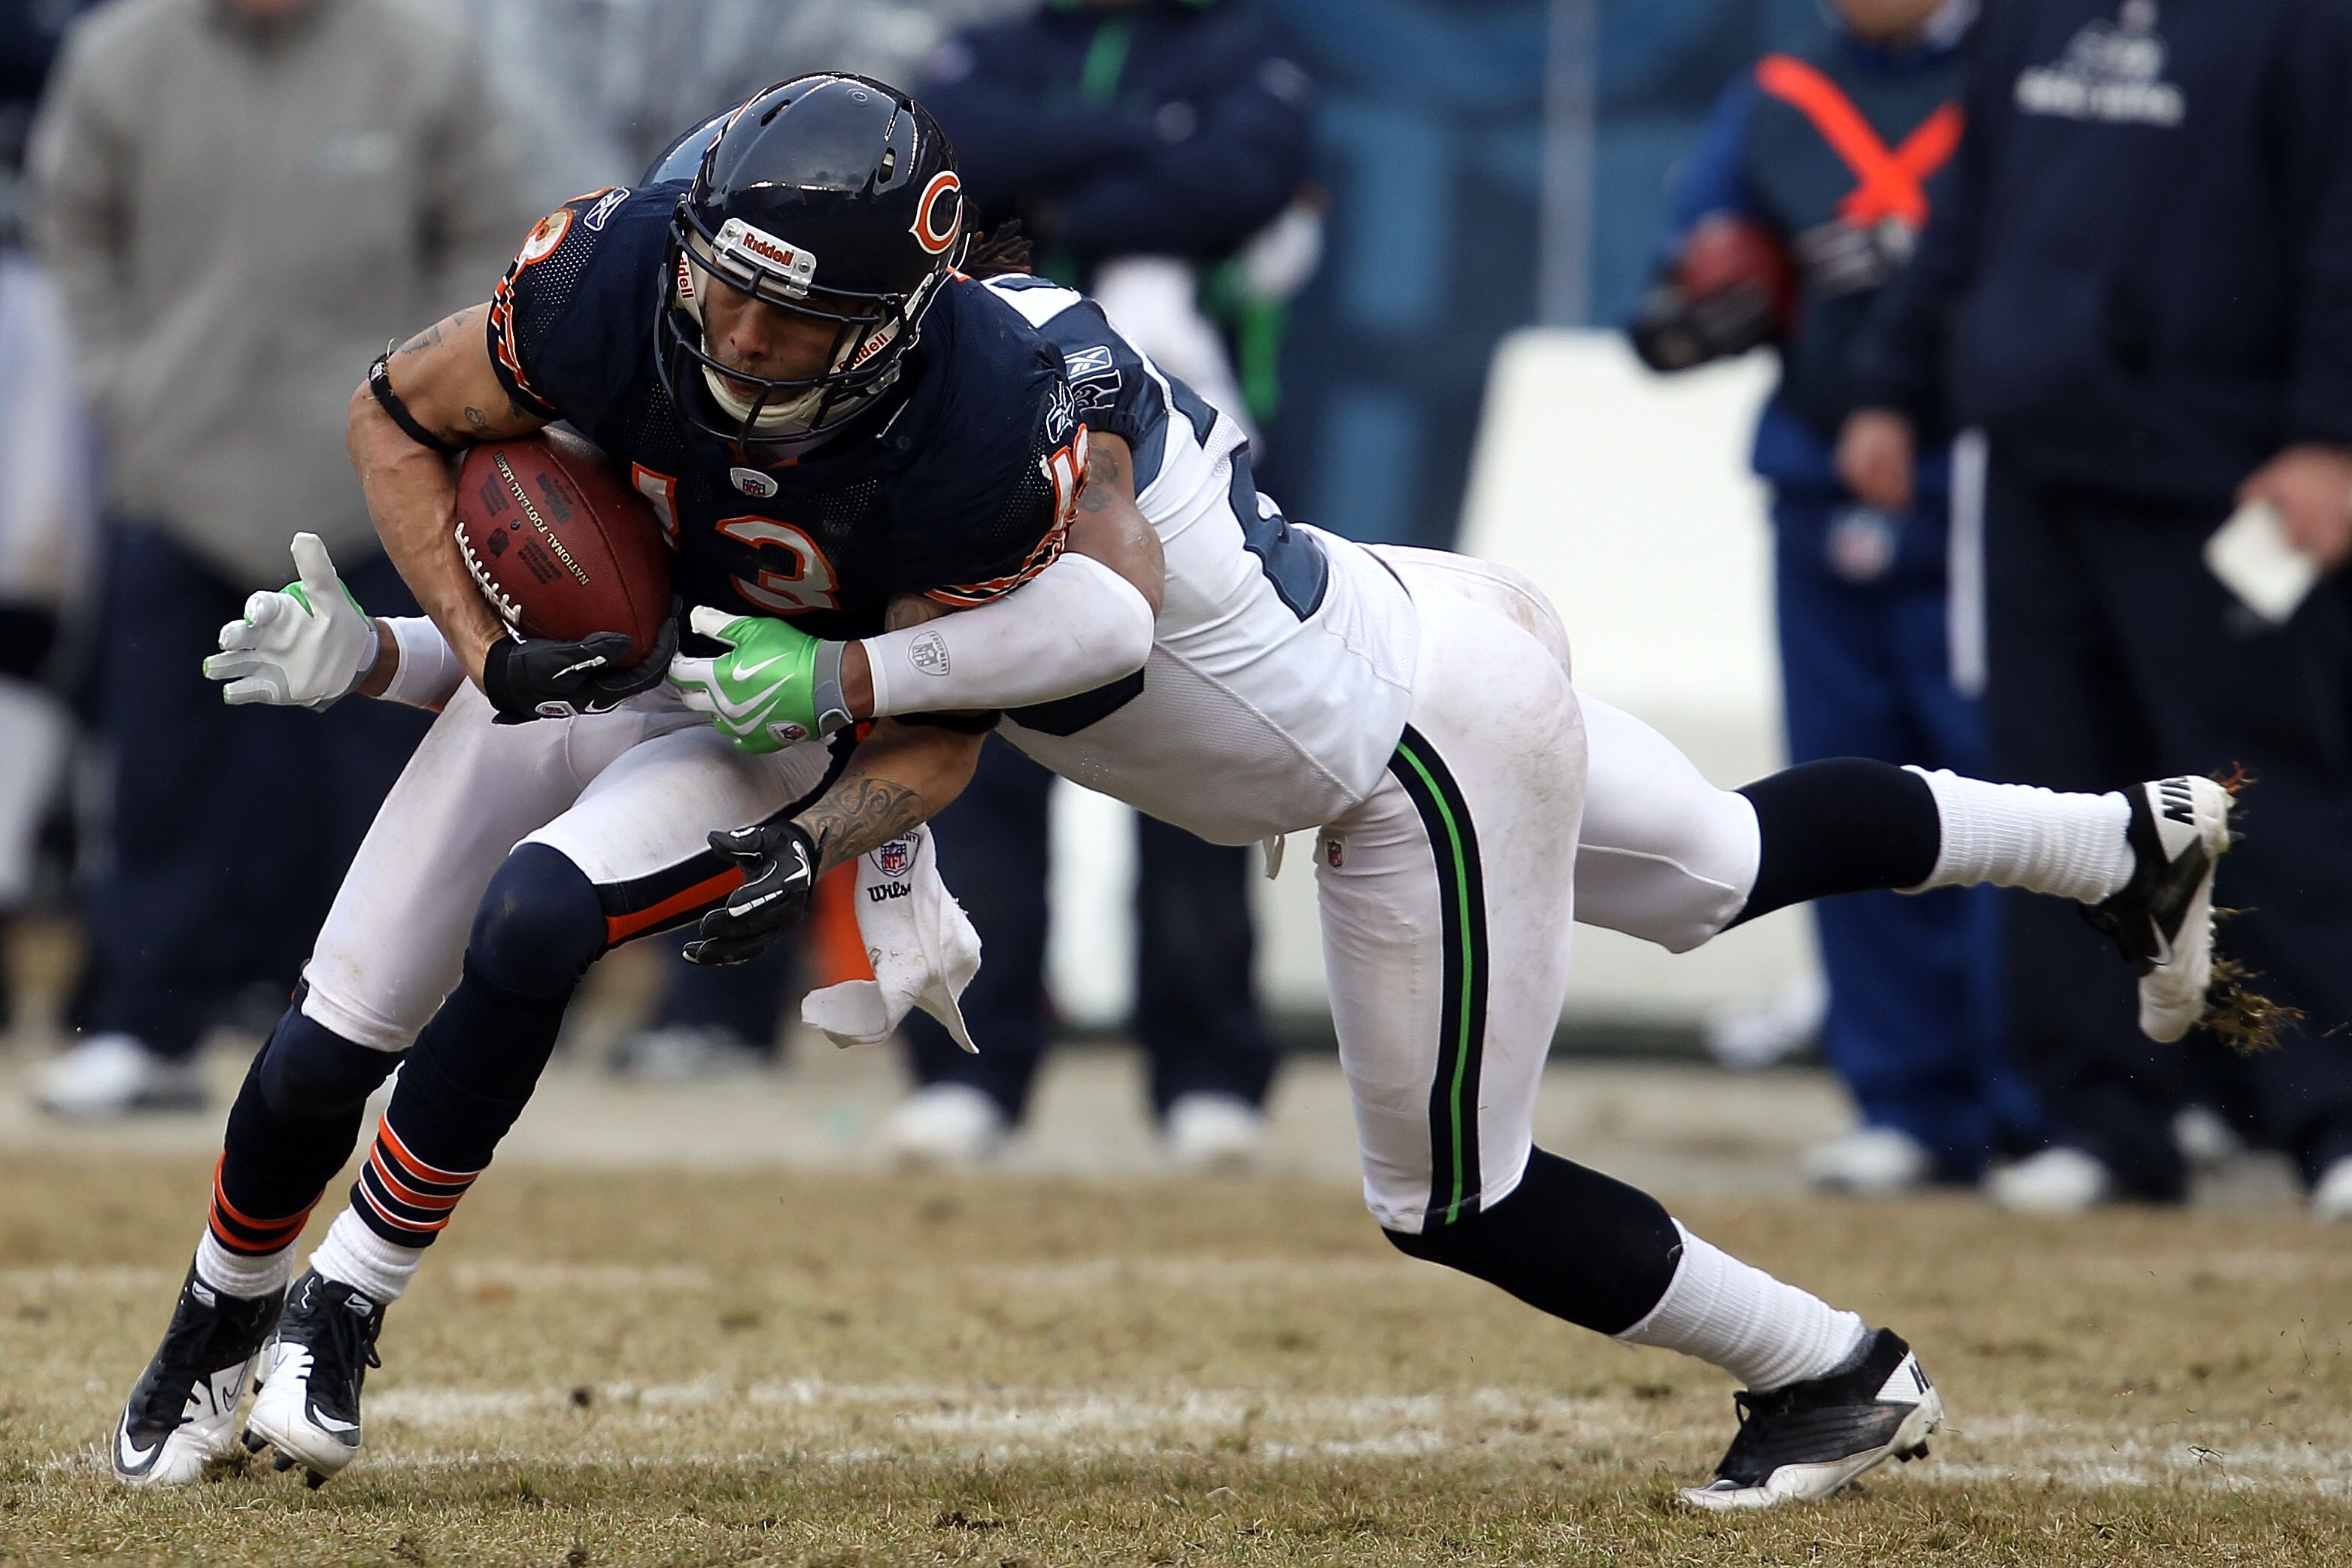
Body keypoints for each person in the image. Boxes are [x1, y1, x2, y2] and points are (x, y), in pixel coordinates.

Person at [117, 78, 2229, 1512]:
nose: (744, 344)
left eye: (798, 315)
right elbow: (716, 593)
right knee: (1737, 862)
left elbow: (1088, 643)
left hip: (1407, 754)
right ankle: (2120, 840)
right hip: (1396, 620)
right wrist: (460, 658)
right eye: (729, 292)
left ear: (906, 315)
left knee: (1452, 1196)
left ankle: (1836, 1364)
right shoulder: (703, 305)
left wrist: (835, 705)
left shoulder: (1019, 414)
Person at [1842, 0, 2352, 1216]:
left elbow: (2345, 225)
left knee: (2264, 797)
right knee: (2060, 804)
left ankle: (2332, 1116)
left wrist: (2333, 434)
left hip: (2224, 474)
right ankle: (2100, 1117)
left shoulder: (2309, 24)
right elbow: (1972, 205)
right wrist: (1891, 384)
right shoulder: (2030, 15)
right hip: (2031, 464)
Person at [24, 0, 534, 1115]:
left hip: (384, 483)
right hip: (175, 469)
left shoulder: (426, 55)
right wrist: (130, 390)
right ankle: (143, 1027)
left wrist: (429, 408)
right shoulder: (121, 56)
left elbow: (487, 244)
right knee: (161, 777)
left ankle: (386, 1043)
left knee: (396, 780)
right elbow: (74, 229)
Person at [849, 0, 1315, 1163]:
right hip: (985, 457)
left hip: (1186, 474)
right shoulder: (994, 47)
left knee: (1200, 762)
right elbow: (955, 152)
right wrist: (1141, 139)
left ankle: (1209, 1073)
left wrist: (1048, 200)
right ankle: (972, 1069)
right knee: (973, 745)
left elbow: (1240, 181)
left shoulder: (1241, 45)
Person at [1630, 0, 2038, 1193]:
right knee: (1849, 789)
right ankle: (1905, 1098)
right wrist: (1703, 302)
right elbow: (1681, 269)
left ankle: (2038, 1100)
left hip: (1975, 484)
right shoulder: (1781, 90)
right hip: (1817, 477)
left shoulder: (2015, 73)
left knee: (2000, 785)